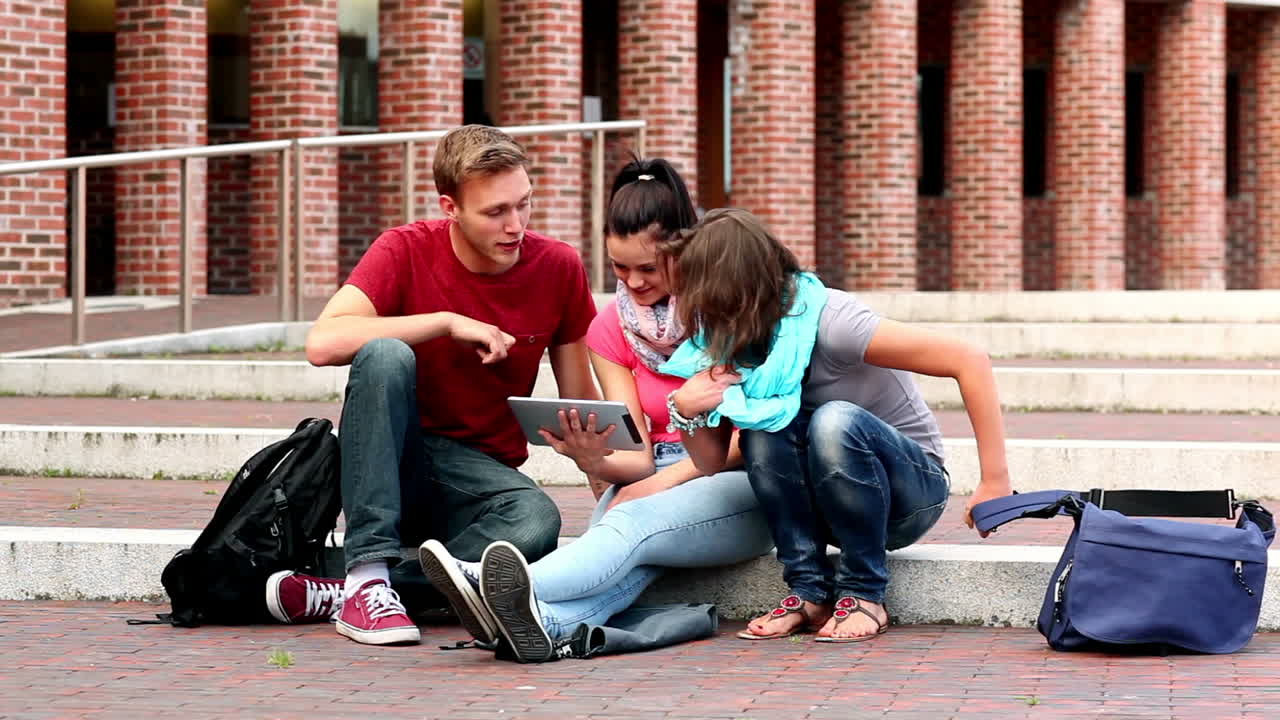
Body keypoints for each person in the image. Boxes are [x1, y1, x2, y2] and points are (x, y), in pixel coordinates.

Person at [419, 158, 774, 662]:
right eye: (619, 268)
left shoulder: (731, 311)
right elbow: (637, 458)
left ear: (686, 251)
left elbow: (750, 439)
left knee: (628, 528)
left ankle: (490, 581)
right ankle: (546, 625)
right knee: (627, 547)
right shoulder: (611, 328)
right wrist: (591, 458)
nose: (633, 282)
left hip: (739, 476)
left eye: (648, 268)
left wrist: (651, 487)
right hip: (658, 476)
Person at [262, 125, 600, 646]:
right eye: (495, 213)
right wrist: (443, 321)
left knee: (537, 520)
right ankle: (369, 568)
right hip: (396, 463)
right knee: (384, 353)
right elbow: (323, 343)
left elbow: (580, 404)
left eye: (524, 205)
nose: (515, 226)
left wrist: (612, 513)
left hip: (478, 480)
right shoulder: (404, 249)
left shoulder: (557, 266)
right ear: (450, 208)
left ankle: (356, 586)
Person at [659, 208, 1013, 643]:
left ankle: (865, 594)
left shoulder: (832, 320)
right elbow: (711, 461)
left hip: (907, 497)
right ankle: (809, 592)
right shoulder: (730, 340)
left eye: (695, 292)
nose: (687, 307)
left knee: (834, 419)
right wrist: (686, 409)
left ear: (732, 290)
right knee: (766, 425)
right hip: (825, 505)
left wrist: (994, 480)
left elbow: (969, 360)